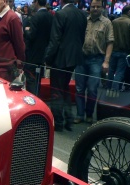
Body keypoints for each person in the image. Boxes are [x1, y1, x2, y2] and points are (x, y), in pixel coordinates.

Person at [45, 0, 87, 132]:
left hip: (60, 58)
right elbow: (81, 37)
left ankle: (58, 123)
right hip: (74, 58)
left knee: (56, 91)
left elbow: (55, 39)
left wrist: (48, 58)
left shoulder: (61, 14)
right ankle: (69, 120)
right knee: (65, 88)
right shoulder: (82, 15)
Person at [74, 0, 113, 124]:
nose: (95, 8)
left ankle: (89, 114)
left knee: (92, 89)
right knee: (79, 88)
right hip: (81, 58)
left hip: (97, 59)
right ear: (89, 7)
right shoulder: (84, 20)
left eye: (98, 6)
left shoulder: (107, 23)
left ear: (102, 8)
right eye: (93, 6)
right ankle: (80, 115)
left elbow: (110, 42)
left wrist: (106, 61)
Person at [0, 0, 25, 82]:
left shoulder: (12, 18)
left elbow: (19, 44)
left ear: (5, 1)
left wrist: (20, 65)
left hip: (5, 69)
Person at [23, 0, 53, 95]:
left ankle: (32, 103)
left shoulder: (36, 17)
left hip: (33, 55)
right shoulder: (51, 16)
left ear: (36, 2)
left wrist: (26, 30)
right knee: (38, 81)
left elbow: (31, 36)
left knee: (31, 81)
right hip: (43, 54)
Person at [106, 5, 130, 91]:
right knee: (120, 72)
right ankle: (114, 89)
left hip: (113, 49)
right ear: (129, 12)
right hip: (125, 51)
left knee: (111, 70)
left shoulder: (114, 21)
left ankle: (108, 86)